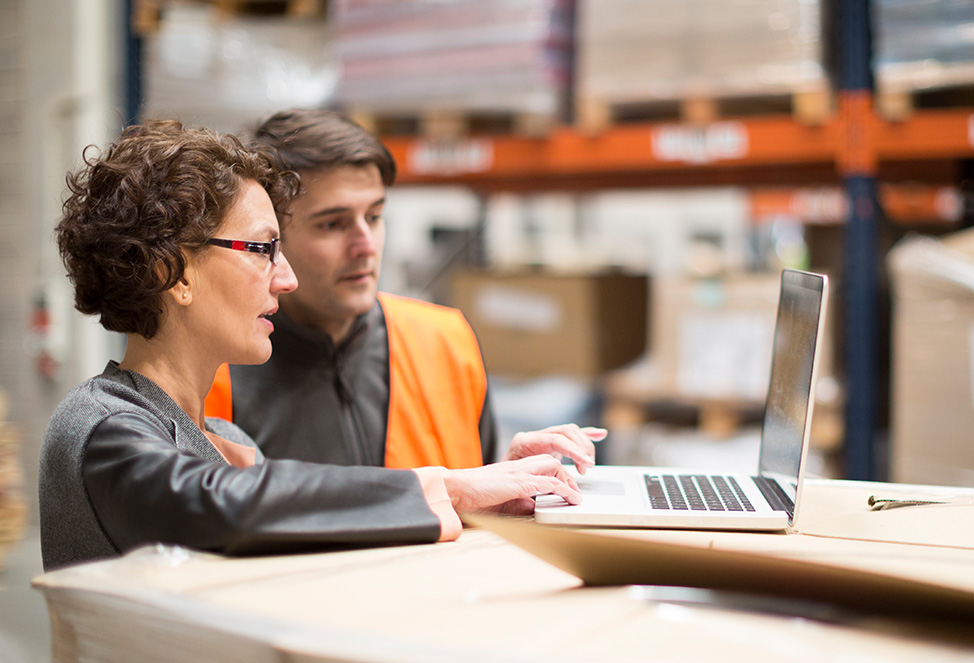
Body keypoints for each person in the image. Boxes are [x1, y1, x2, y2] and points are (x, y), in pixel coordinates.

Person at [39, 121, 582, 571]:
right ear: (173, 272)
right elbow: (221, 506)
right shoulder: (101, 425)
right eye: (263, 249)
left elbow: (312, 540)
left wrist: (492, 496)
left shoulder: (225, 438)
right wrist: (450, 488)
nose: (286, 278)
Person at [204, 109, 604, 473]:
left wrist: (506, 476)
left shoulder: (444, 342)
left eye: (375, 217)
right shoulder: (216, 373)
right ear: (273, 238)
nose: (366, 245)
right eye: (333, 224)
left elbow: (470, 509)